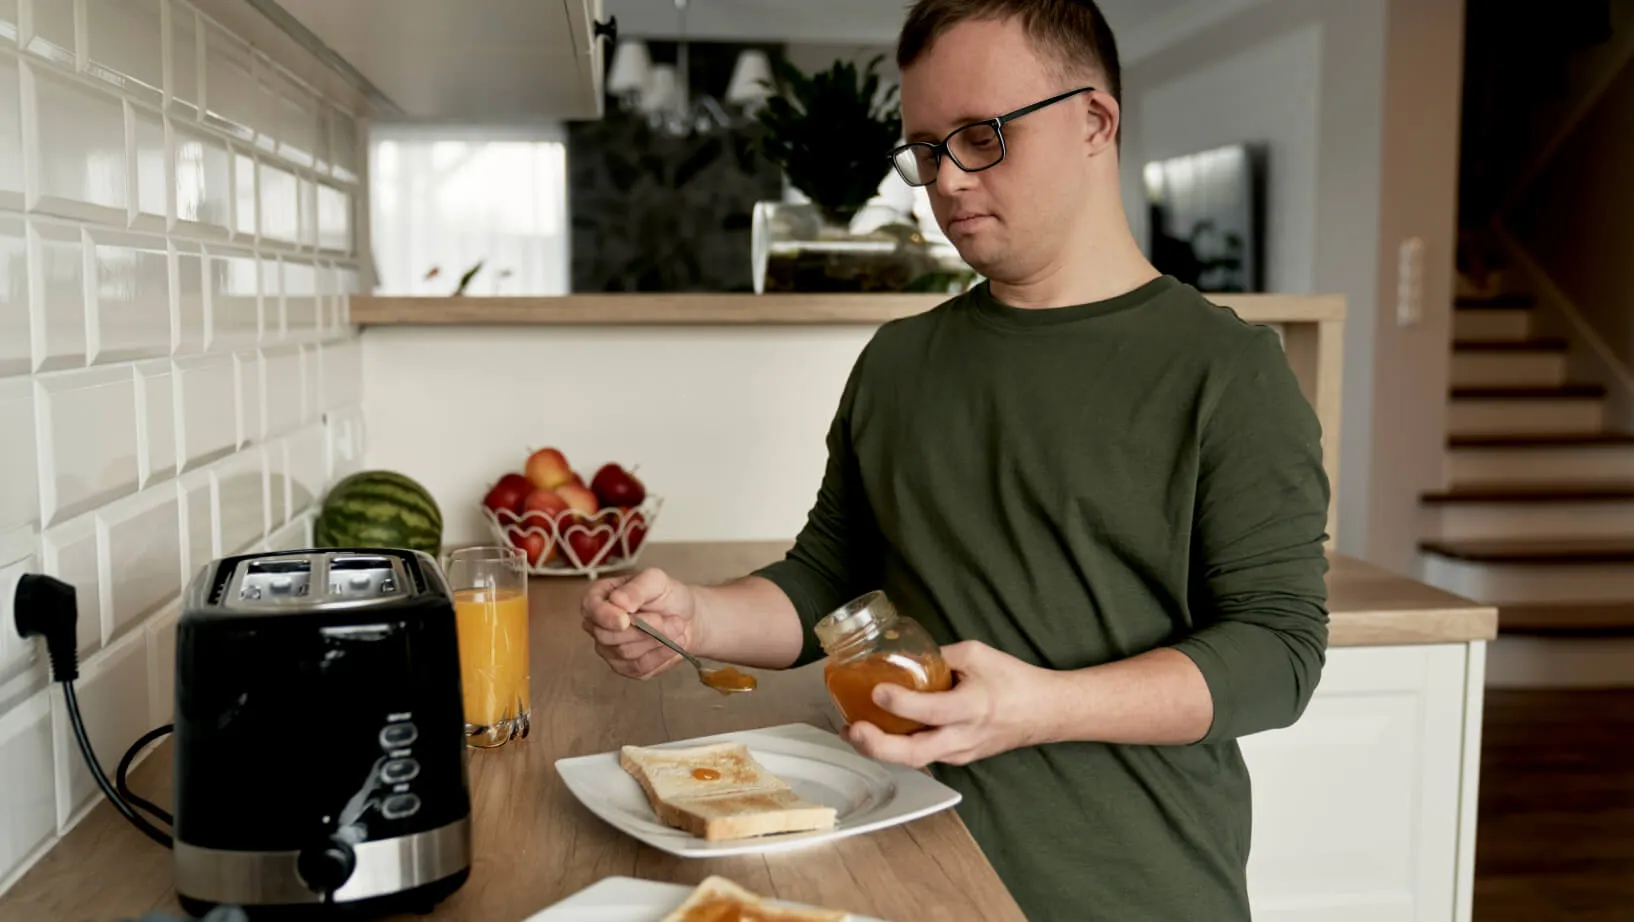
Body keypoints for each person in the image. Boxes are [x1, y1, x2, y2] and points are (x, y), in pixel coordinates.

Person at [580, 1, 1331, 918]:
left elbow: (1278, 652)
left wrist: (1042, 707)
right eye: (927, 149)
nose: (947, 180)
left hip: (1132, 890)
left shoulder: (1227, 371)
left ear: (1096, 120)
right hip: (899, 872)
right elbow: (830, 576)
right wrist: (697, 619)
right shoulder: (899, 362)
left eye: (982, 136)